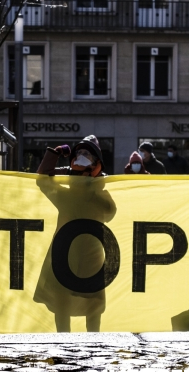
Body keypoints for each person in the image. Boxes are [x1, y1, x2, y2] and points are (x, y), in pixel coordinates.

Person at [34, 135, 117, 332]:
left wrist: (92, 185)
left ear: (96, 162)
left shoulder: (98, 191)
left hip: (91, 254)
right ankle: (64, 343)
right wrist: (56, 154)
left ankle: (94, 344)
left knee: (93, 304)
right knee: (62, 302)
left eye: (87, 154)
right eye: (78, 153)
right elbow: (43, 179)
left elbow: (110, 212)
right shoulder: (65, 193)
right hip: (65, 253)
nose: (81, 156)